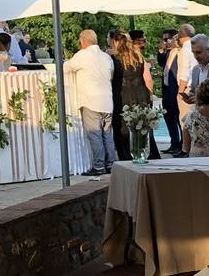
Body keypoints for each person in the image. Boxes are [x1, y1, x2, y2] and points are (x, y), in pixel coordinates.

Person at [63, 30, 116, 175]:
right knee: (107, 134)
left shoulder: (82, 55)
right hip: (107, 100)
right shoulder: (106, 57)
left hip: (91, 100)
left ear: (83, 41)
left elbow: (66, 68)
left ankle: (98, 166)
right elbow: (111, 75)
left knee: (95, 135)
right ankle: (110, 164)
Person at [112, 31, 160, 161]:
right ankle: (146, 153)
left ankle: (127, 156)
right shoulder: (139, 56)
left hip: (124, 95)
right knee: (143, 125)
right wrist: (149, 95)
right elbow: (148, 79)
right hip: (141, 93)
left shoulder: (115, 59)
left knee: (123, 127)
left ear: (116, 42)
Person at [156, 29, 181, 153]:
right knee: (168, 116)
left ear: (174, 39)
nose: (164, 42)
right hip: (166, 89)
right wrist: (161, 51)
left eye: (166, 39)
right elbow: (161, 64)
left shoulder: (180, 53)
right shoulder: (168, 53)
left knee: (178, 117)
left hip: (175, 90)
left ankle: (181, 145)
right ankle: (174, 142)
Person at [176, 24, 198, 141]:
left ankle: (186, 147)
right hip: (196, 88)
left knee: (185, 120)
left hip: (187, 89)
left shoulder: (185, 49)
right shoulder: (196, 46)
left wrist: (180, 92)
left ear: (180, 35)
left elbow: (184, 73)